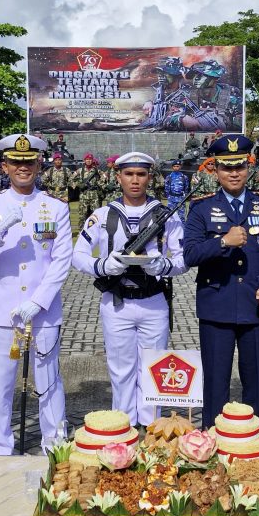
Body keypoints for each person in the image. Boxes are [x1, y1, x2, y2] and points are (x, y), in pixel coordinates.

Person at [0, 134, 71, 455]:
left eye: (29, 161)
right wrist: (0, 228)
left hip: (41, 312)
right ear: (5, 166)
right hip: (2, 312)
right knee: (0, 384)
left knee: (49, 382)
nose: (23, 167)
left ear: (39, 163)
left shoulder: (55, 207)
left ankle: (54, 444)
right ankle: (0, 446)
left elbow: (61, 260)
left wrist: (37, 302)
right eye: (16, 162)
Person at [181, 134, 259, 429]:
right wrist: (222, 242)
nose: (234, 173)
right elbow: (189, 254)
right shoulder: (201, 209)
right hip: (217, 307)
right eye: (226, 167)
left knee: (256, 382)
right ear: (215, 170)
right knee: (215, 383)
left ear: (248, 167)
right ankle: (213, 442)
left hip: (256, 306)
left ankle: (256, 442)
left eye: (239, 166)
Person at [72, 152, 188, 426]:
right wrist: (102, 266)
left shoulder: (166, 216)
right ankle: (122, 427)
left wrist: (164, 265)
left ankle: (151, 429)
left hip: (154, 301)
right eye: (129, 174)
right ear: (118, 177)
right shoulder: (102, 215)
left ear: (150, 177)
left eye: (141, 174)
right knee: (121, 370)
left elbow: (184, 259)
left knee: (153, 368)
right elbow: (78, 255)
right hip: (117, 302)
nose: (135, 180)